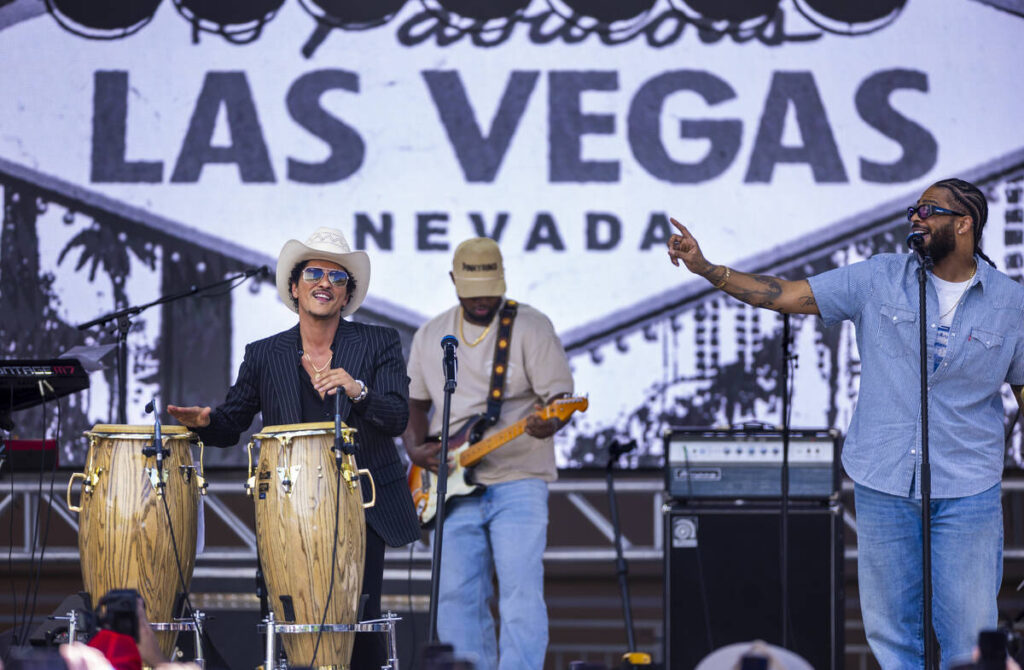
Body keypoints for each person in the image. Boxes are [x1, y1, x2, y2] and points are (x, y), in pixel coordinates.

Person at [666, 178, 1024, 670]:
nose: (915, 217)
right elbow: (786, 296)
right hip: (884, 478)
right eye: (913, 209)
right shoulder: (878, 278)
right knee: (893, 636)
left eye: (928, 210)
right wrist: (707, 269)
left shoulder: (1011, 304)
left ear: (964, 224)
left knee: (969, 638)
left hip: (969, 489)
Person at [167, 227, 420, 668]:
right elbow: (232, 423)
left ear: (346, 296)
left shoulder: (379, 343)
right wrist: (207, 422)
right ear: (294, 287)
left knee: (357, 618)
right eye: (315, 273)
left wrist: (358, 391)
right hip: (287, 508)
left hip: (361, 504)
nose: (325, 283)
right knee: (287, 616)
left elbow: (398, 417)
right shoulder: (265, 354)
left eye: (338, 278)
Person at [403, 238, 575, 670]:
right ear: (452, 282)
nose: (482, 300)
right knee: (454, 596)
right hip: (450, 482)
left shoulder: (531, 327)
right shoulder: (431, 334)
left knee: (521, 593)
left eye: (490, 289)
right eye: (472, 291)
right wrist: (415, 448)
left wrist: (549, 422)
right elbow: (415, 403)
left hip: (518, 478)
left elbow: (559, 397)